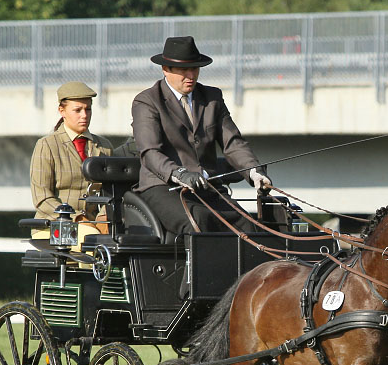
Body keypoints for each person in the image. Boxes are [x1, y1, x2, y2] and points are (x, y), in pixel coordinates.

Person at [131, 36, 271, 235]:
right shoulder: (147, 101)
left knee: (248, 226)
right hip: (163, 186)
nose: (190, 75)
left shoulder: (212, 98)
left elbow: (232, 142)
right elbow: (150, 152)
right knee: (199, 221)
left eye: (195, 69)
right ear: (166, 70)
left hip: (207, 187)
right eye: (183, 70)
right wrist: (179, 174)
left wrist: (253, 171)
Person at [30, 81, 114, 221]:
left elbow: (112, 192)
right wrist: (76, 218)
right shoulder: (47, 145)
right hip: (55, 224)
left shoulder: (105, 147)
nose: (84, 115)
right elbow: (42, 198)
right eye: (77, 110)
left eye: (88, 109)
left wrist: (103, 217)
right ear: (62, 111)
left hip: (94, 225)